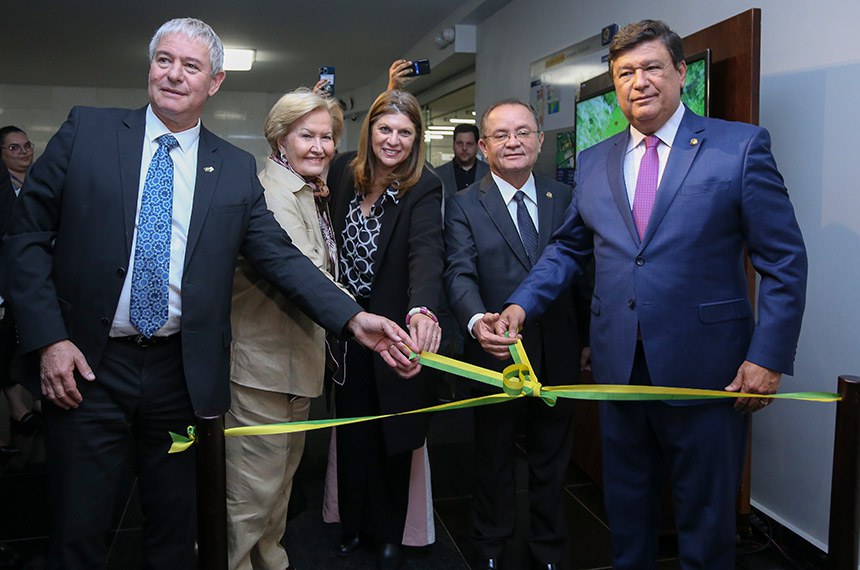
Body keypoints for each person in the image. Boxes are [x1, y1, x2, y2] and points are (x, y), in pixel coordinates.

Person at [4, 18, 419, 570]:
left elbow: (281, 259)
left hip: (180, 376)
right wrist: (49, 337)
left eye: (191, 66)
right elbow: (25, 236)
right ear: (150, 67)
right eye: (164, 60)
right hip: (87, 367)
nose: (174, 75)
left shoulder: (232, 168)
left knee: (178, 525)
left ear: (214, 82)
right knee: (80, 525)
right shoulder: (89, 132)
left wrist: (353, 319)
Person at [497, 20, 807, 570]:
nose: (638, 81)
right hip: (620, 371)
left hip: (710, 372)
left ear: (681, 74)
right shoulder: (594, 161)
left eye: (652, 67)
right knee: (628, 516)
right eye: (625, 72)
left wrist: (768, 356)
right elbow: (568, 250)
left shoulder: (738, 147)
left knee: (707, 526)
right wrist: (523, 302)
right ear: (615, 85)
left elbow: (783, 260)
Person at [444, 99, 585, 570]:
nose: (513, 142)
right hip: (494, 353)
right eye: (501, 135)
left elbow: (582, 272)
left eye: (523, 132)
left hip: (559, 350)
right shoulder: (463, 204)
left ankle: (548, 549)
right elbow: (458, 273)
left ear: (540, 141)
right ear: (483, 147)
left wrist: (586, 339)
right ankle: (489, 545)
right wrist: (474, 319)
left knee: (552, 460)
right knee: (493, 456)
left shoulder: (566, 198)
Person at [225, 88, 345, 570]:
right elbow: (310, 279)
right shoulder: (274, 194)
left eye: (328, 136)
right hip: (263, 371)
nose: (320, 147)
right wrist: (371, 322)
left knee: (276, 494)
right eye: (307, 136)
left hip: (293, 365)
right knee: (249, 500)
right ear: (279, 139)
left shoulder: (307, 191)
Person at [327, 89, 444, 569]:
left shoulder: (423, 185)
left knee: (394, 436)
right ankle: (354, 524)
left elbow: (426, 253)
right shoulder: (341, 172)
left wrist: (422, 310)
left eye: (404, 132)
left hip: (395, 333)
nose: (393, 140)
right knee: (353, 433)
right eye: (385, 129)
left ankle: (389, 530)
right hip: (349, 331)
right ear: (369, 129)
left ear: (416, 139)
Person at [0, 126, 41, 439]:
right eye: (14, 148)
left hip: (36, 278)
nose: (24, 151)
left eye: (26, 145)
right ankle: (16, 407)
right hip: (5, 280)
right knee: (5, 343)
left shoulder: (40, 184)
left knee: (35, 337)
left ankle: (40, 401)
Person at [436, 123, 490, 199]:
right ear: (453, 145)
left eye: (469, 144)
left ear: (477, 146)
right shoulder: (438, 175)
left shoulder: (490, 173)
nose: (464, 148)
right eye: (460, 143)